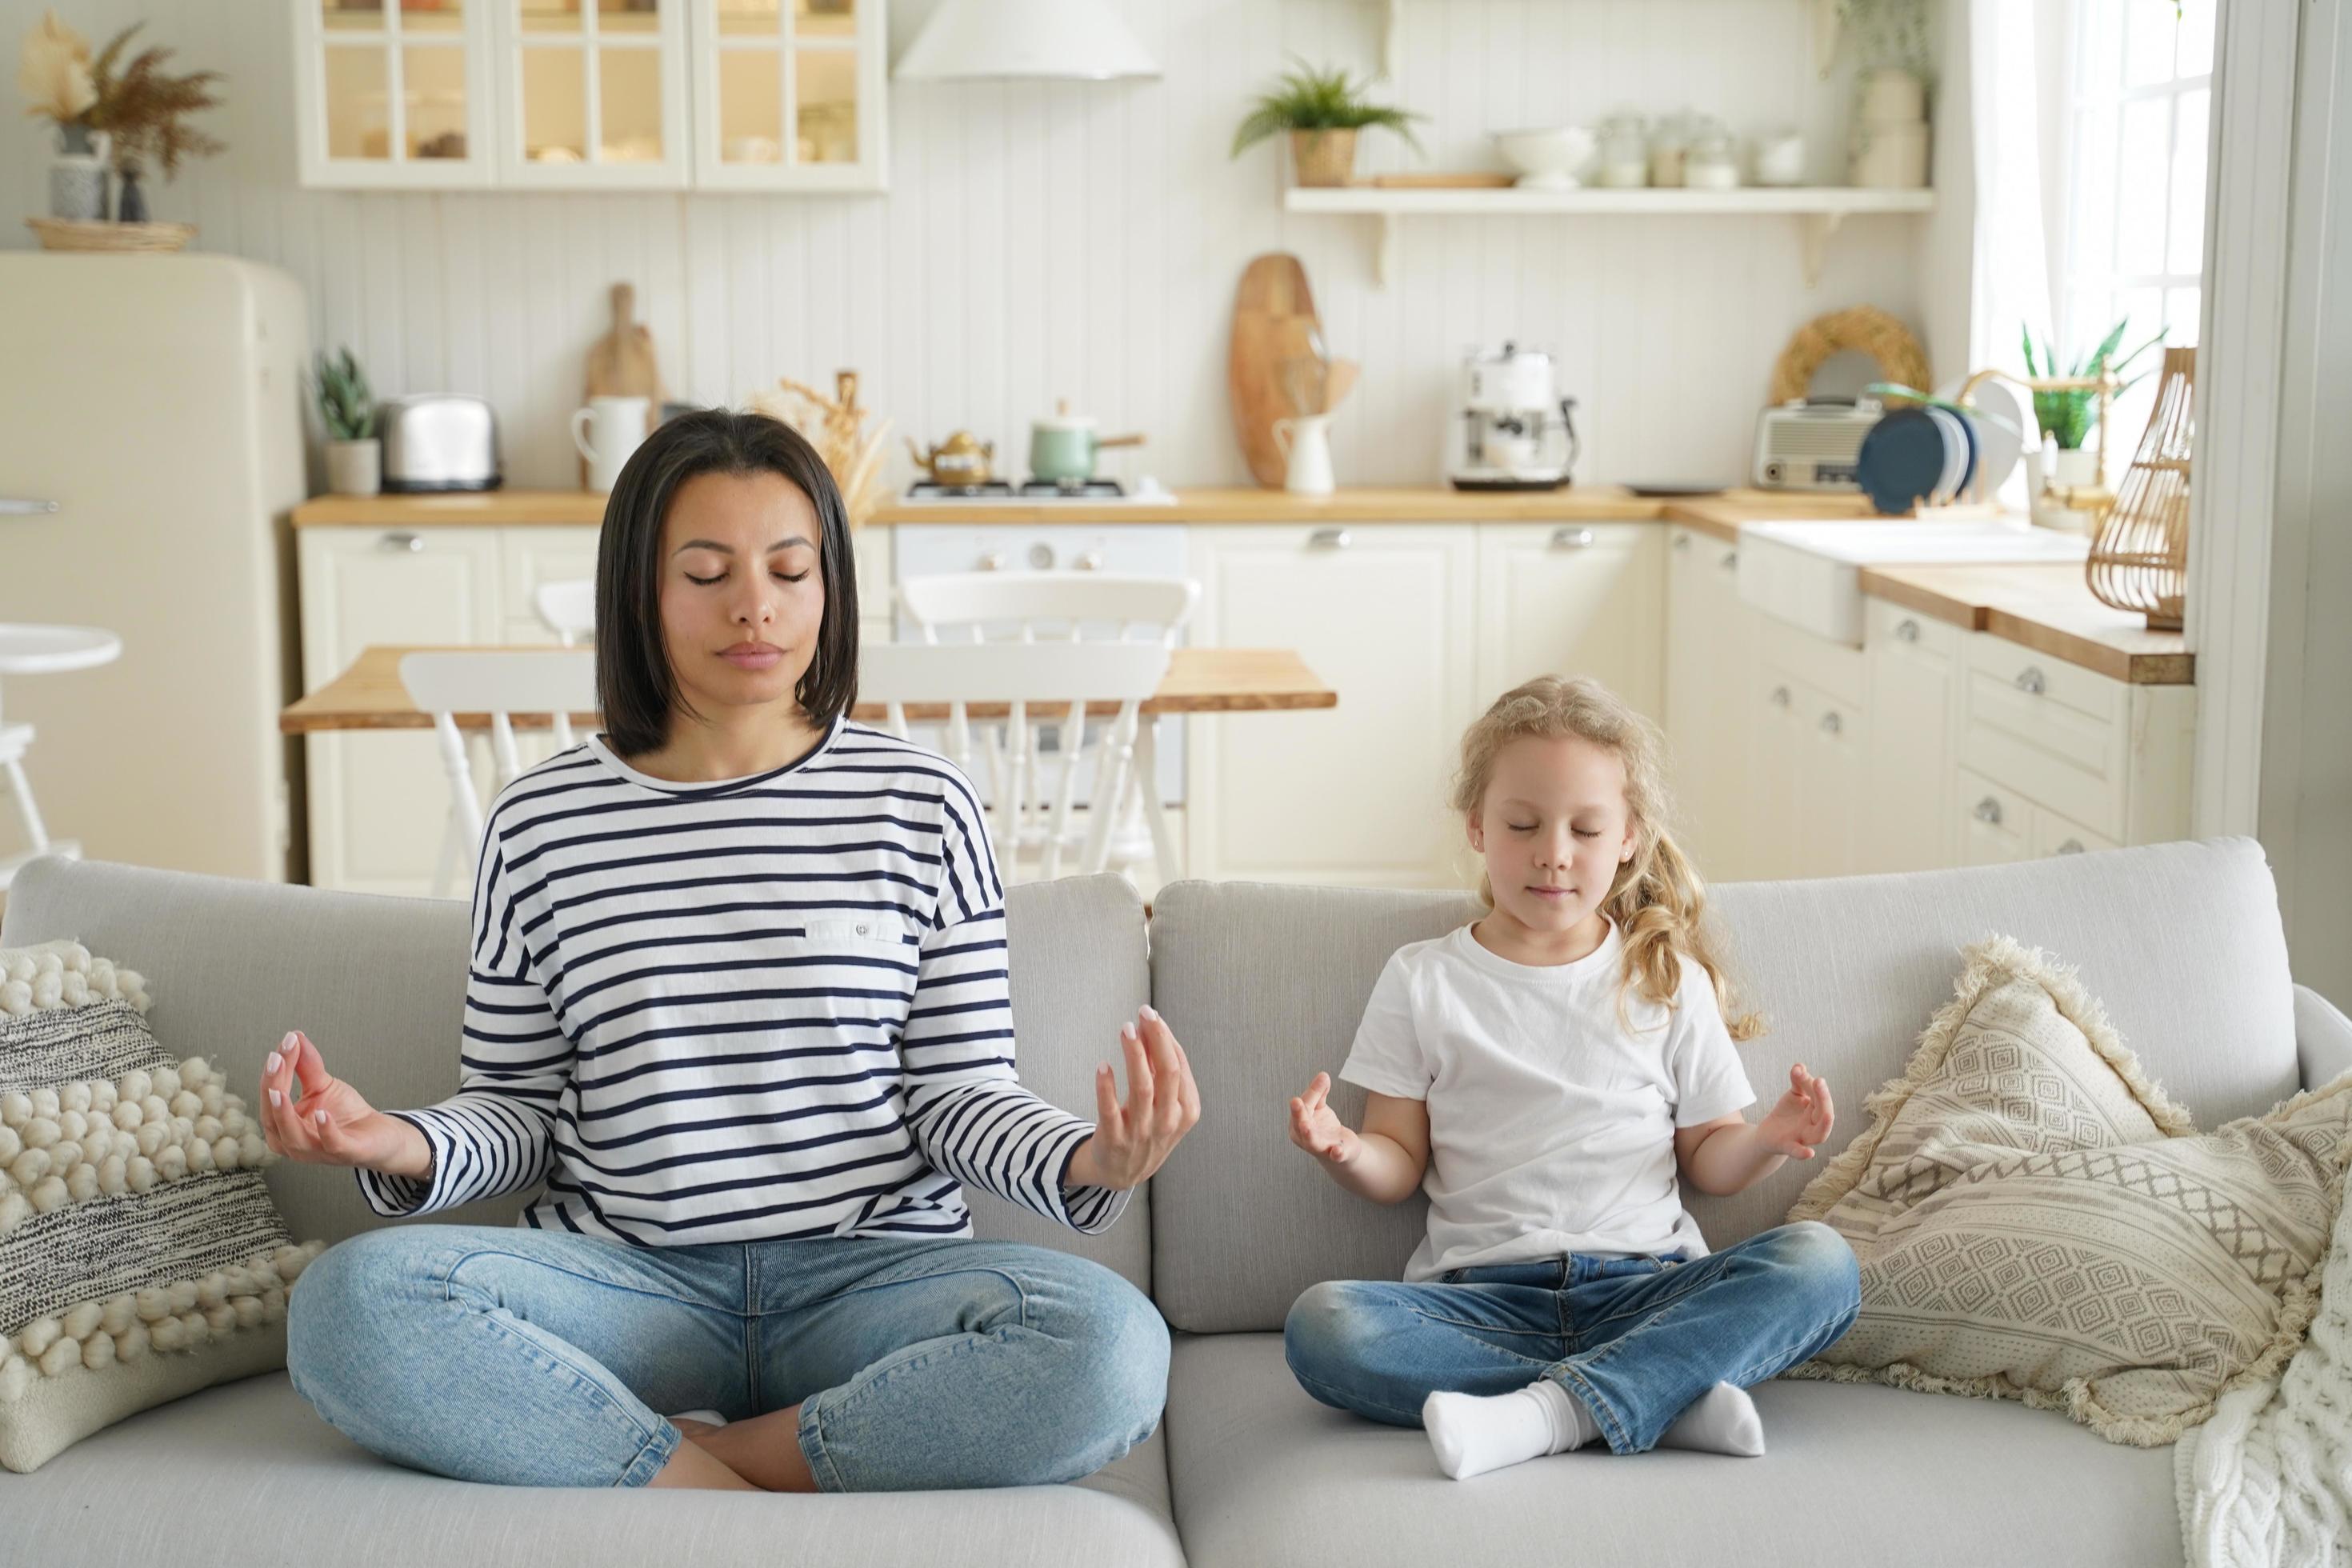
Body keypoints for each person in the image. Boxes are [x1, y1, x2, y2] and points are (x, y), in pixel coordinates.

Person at [265, 409, 1198, 1492]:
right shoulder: (541, 823)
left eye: (789, 570)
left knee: (1113, 1347)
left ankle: (693, 1466)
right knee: (349, 1309)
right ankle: (733, 1478)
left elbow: (956, 1093)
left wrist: (1091, 1162)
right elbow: (518, 1110)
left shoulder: (921, 803)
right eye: (705, 573)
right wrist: (394, 1143)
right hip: (625, 1288)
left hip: (871, 1283)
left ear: (828, 589)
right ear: (639, 595)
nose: (755, 604)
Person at [1279, 674, 1859, 1479]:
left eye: (1586, 829)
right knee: (1325, 1324)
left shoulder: (1665, 976)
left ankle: (1543, 1415)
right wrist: (1342, 1147)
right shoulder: (1422, 979)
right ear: (1478, 826)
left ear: (1629, 837)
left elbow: (1711, 1161)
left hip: (1650, 1292)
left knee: (1822, 1264)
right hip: (1485, 1301)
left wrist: (1768, 1138)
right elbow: (1398, 1162)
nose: (1554, 851)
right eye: (1524, 824)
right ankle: (1663, 1395)